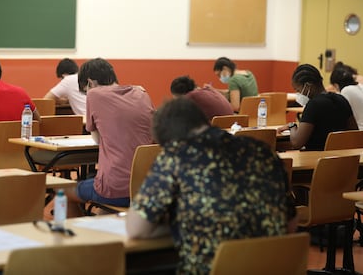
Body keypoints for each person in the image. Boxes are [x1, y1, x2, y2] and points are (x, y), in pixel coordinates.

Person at [126, 97, 297, 274]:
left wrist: (178, 223)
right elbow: (291, 223)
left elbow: (137, 229)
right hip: (271, 267)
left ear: (169, 141)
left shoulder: (175, 157)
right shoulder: (262, 150)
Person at [65, 58, 154, 215]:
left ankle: (78, 236)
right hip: (146, 187)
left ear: (90, 83)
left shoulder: (94, 94)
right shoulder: (141, 92)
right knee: (104, 199)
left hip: (115, 188)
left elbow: (98, 140)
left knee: (66, 192)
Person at [277, 64, 357, 151]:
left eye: (298, 90)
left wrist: (292, 126)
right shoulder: (341, 99)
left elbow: (297, 143)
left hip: (318, 160)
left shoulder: (313, 105)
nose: (298, 94)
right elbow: (354, 132)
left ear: (307, 86)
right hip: (343, 159)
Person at [330, 63, 363, 130]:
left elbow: (339, 112)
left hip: (359, 132)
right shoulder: (360, 86)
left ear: (336, 85)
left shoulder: (346, 91)